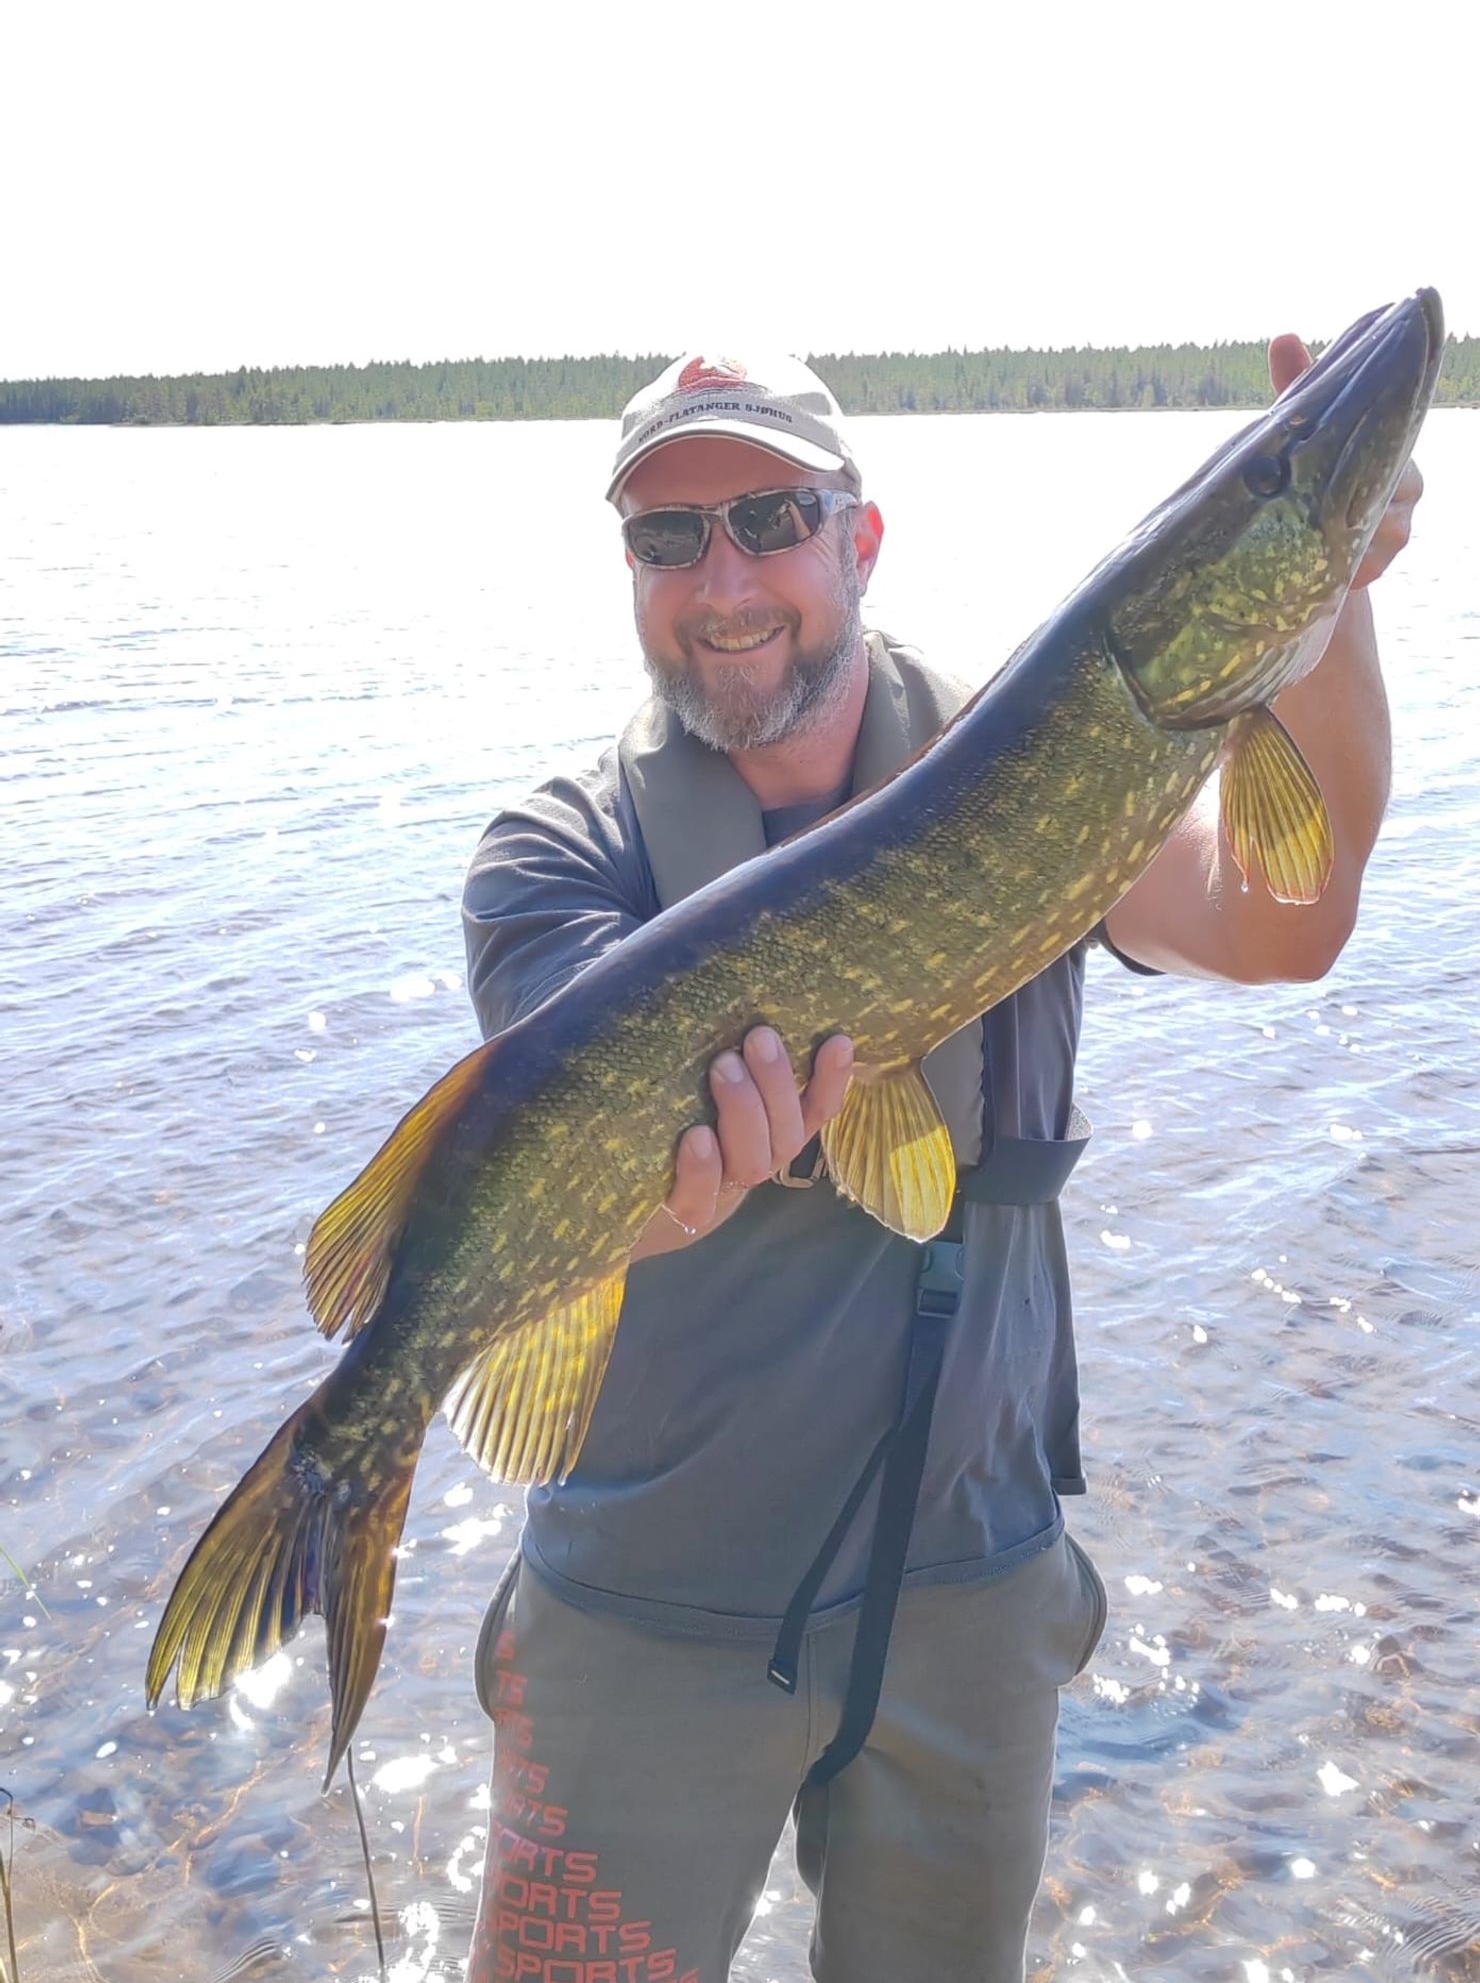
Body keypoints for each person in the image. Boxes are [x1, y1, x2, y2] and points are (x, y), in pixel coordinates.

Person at [460, 346, 1421, 1983]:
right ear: (630, 571)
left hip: (967, 1590)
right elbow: (560, 1144)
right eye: (671, 538)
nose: (726, 580)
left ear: (862, 537)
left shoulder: (1039, 748)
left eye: (772, 518)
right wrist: (676, 1177)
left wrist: (1331, 599)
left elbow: (1289, 918)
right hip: (647, 1611)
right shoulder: (555, 853)